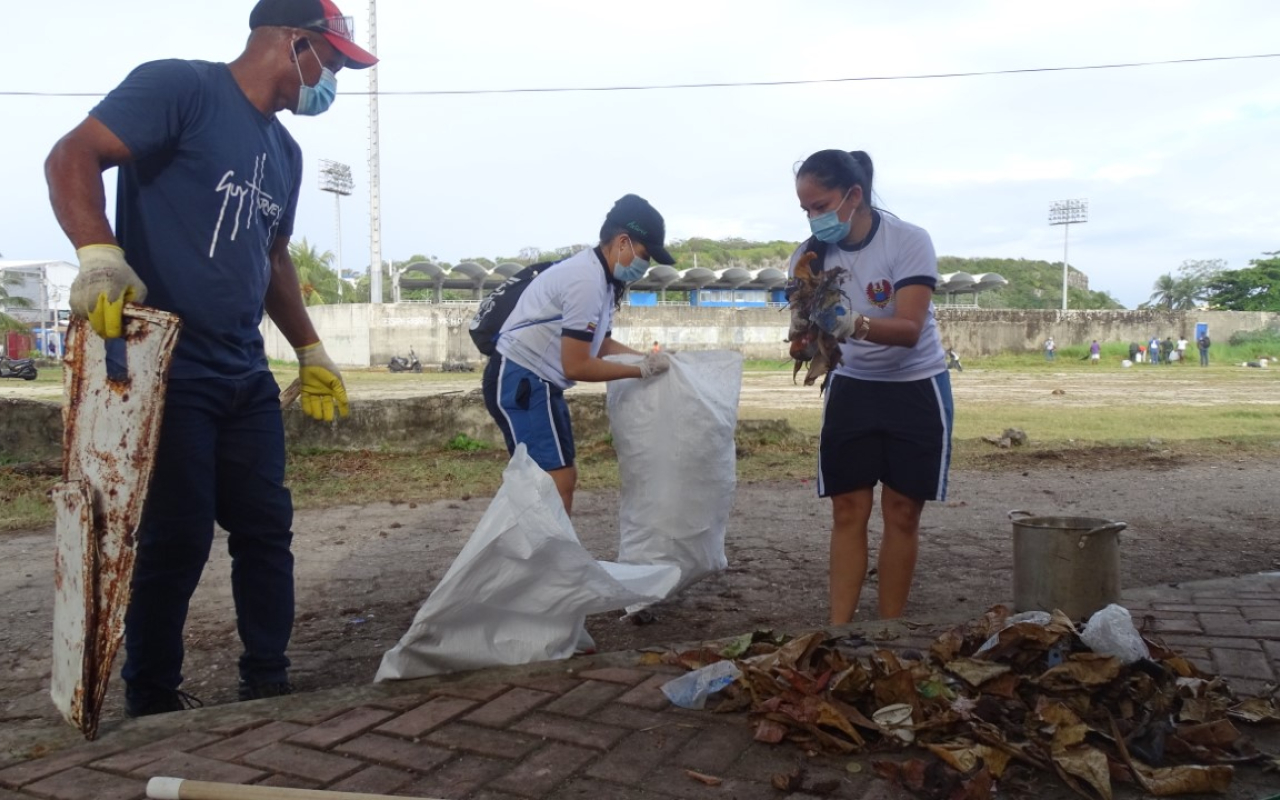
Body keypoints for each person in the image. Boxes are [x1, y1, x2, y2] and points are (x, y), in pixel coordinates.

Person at [44, 0, 376, 717]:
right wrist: (99, 254)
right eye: (335, 63)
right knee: (177, 535)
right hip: (167, 367)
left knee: (266, 529)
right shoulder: (181, 89)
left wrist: (310, 348)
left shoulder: (285, 154)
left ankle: (267, 679)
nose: (333, 83)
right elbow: (71, 155)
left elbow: (273, 257)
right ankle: (153, 696)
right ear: (295, 44)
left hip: (243, 373)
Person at [790, 149, 953, 624]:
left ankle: (889, 632)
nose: (814, 218)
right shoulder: (808, 258)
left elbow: (908, 330)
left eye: (821, 206)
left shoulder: (908, 241)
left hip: (915, 387)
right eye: (806, 210)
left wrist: (853, 324)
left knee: (902, 512)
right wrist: (805, 342)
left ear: (854, 195)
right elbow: (806, 336)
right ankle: (839, 631)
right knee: (847, 510)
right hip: (853, 390)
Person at [483, 195, 674, 516]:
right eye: (645, 255)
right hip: (523, 378)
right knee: (552, 481)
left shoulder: (602, 280)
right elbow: (578, 364)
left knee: (558, 478)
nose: (645, 266)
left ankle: (544, 559)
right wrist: (640, 371)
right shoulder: (585, 280)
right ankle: (541, 562)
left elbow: (601, 347)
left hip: (537, 381)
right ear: (622, 242)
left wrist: (646, 358)